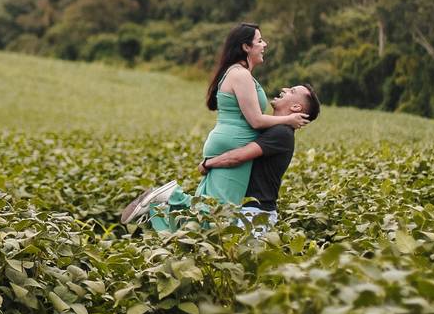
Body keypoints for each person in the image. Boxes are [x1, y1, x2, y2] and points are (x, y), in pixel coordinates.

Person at [120, 23, 309, 228]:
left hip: (230, 139)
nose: (265, 44)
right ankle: (170, 196)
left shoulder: (238, 73)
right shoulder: (241, 74)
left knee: (210, 209)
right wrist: (288, 120)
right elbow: (255, 120)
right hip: (234, 142)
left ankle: (162, 211)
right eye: (260, 40)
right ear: (246, 47)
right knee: (219, 216)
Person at [198, 84, 320, 233]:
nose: (284, 89)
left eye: (291, 91)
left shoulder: (281, 133)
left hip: (255, 214)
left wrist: (207, 163)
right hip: (248, 209)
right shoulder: (274, 128)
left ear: (296, 107)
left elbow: (238, 157)